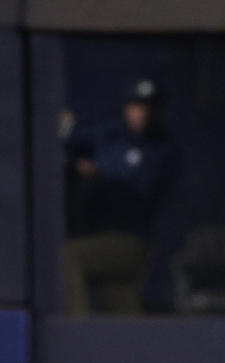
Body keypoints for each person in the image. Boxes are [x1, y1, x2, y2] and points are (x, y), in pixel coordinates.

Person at [62, 78, 178, 314]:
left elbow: (137, 181)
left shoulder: (162, 150)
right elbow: (74, 140)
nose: (141, 113)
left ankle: (79, 339)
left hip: (129, 241)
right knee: (120, 311)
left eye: (148, 108)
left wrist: (98, 170)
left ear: (158, 112)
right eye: (136, 106)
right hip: (100, 237)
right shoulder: (113, 136)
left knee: (67, 257)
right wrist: (63, 128)